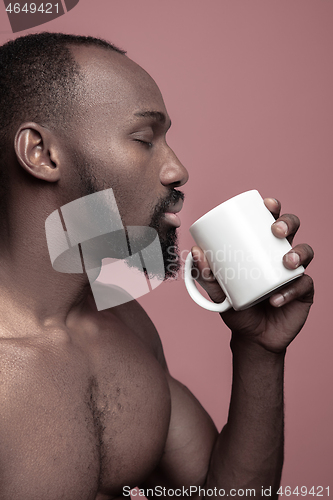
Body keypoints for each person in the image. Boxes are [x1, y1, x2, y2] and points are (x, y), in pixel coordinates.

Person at [0, 32, 314, 500]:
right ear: (42, 155)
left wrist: (260, 351)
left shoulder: (124, 327)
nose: (177, 170)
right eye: (145, 139)